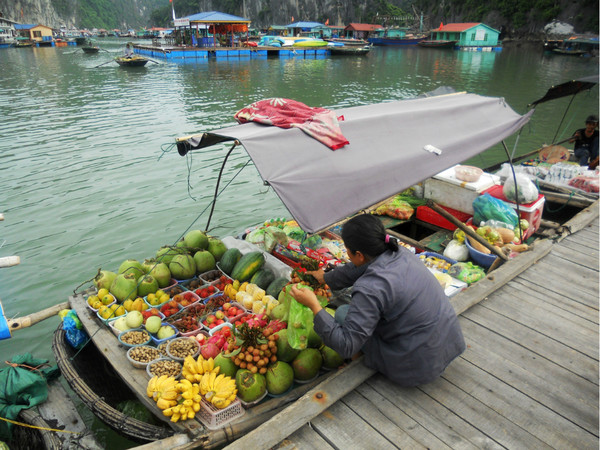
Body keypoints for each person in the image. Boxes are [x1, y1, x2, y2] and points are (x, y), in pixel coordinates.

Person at [289, 214, 466, 386]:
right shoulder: (399, 252)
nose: (348, 255)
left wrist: (314, 305)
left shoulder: (370, 287)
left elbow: (346, 345)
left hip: (416, 368)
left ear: (358, 254)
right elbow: (356, 269)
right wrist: (326, 278)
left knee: (343, 313)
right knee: (355, 314)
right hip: (449, 345)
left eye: (348, 251)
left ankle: (362, 362)